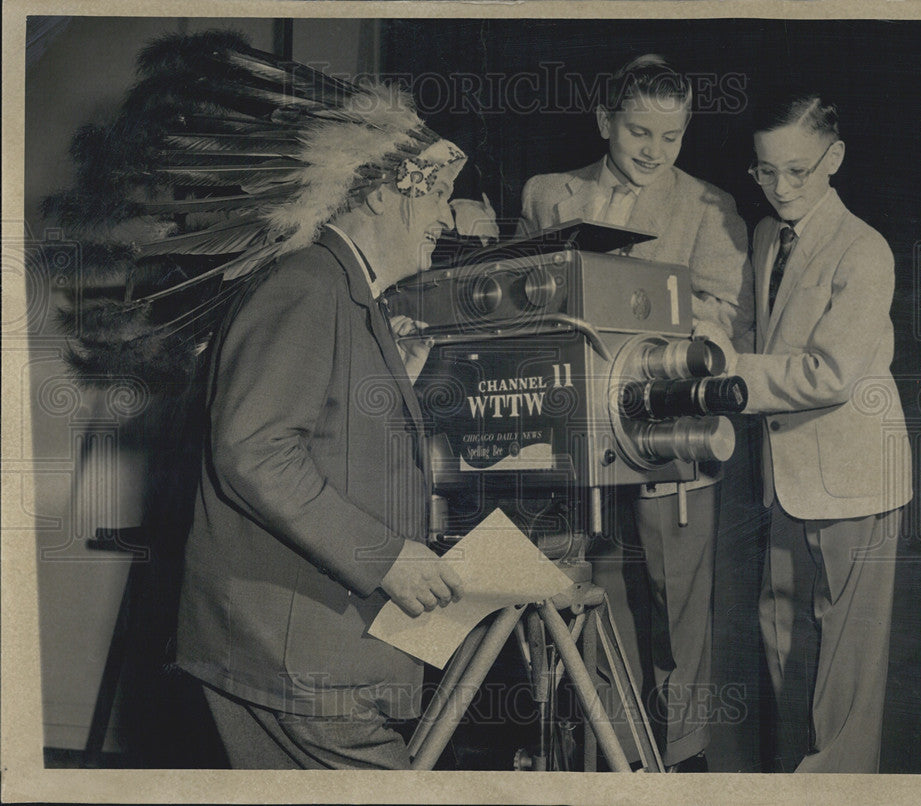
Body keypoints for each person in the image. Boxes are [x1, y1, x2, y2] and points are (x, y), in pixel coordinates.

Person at [175, 133, 470, 768]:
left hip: (306, 650)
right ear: (386, 196)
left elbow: (322, 437)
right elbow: (253, 450)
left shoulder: (345, 291)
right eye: (440, 195)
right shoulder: (308, 282)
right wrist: (385, 556)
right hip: (293, 657)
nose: (449, 217)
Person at [518, 54, 754, 771]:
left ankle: (683, 760)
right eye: (638, 132)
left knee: (676, 601)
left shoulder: (712, 209)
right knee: (590, 584)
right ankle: (611, 744)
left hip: (664, 429)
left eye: (671, 137)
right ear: (605, 121)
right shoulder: (544, 194)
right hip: (571, 434)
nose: (654, 151)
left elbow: (724, 320)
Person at [699, 90, 913, 772]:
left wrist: (732, 371)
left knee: (847, 672)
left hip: (855, 476)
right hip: (786, 477)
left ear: (835, 159)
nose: (781, 187)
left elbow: (828, 374)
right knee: (785, 644)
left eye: (798, 170)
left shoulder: (864, 250)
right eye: (766, 171)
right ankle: (798, 781)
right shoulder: (765, 235)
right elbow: (753, 333)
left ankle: (841, 787)